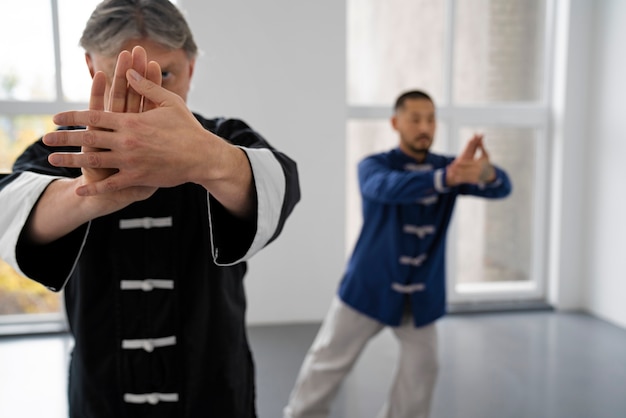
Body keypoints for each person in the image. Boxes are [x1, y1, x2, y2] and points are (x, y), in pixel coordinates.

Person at [0, 1, 300, 417]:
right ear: (91, 68)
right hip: (103, 390)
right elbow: (7, 207)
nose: (145, 100)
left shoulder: (222, 137)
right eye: (124, 79)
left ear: (192, 69)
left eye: (166, 76)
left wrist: (212, 160)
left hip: (213, 388)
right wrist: (84, 196)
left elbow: (279, 184)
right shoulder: (66, 149)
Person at [283, 90, 511, 418]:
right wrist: (444, 179)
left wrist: (485, 173)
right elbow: (385, 187)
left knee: (423, 371)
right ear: (396, 122)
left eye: (430, 119)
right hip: (366, 288)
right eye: (415, 119)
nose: (424, 127)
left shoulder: (452, 167)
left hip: (421, 297)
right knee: (327, 362)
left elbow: (502, 186)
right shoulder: (374, 166)